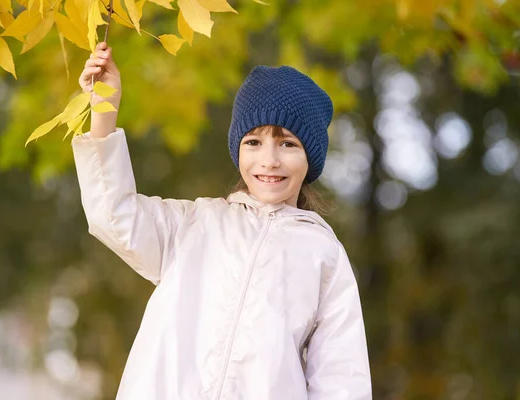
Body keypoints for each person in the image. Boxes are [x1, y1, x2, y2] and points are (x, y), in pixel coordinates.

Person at [73, 41, 372, 400]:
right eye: (254, 142)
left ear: (312, 157)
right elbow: (113, 212)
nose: (270, 160)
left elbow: (341, 377)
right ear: (238, 149)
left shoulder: (323, 254)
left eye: (288, 144)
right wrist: (104, 106)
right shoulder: (194, 225)